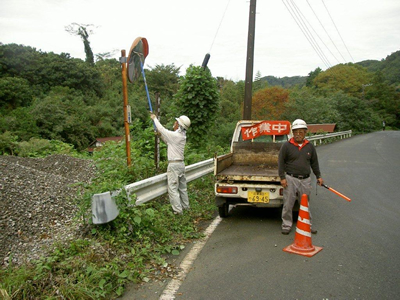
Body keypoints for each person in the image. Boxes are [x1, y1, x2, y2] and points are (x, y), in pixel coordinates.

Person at [278, 119, 324, 235]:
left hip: (306, 179)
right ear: (292, 132)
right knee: (288, 204)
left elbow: (314, 163)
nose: (298, 134)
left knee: (305, 204)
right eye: (296, 131)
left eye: (301, 132)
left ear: (305, 132)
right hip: (290, 179)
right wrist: (282, 177)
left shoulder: (310, 147)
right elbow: (281, 162)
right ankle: (286, 225)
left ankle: (307, 225)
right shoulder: (286, 146)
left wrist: (318, 176)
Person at [150, 113, 191, 215]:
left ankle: (178, 211)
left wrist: (155, 119)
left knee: (173, 189)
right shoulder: (181, 136)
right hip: (180, 164)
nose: (174, 123)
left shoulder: (176, 135)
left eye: (176, 122)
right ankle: (186, 208)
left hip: (174, 165)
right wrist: (160, 136)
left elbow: (163, 130)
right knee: (182, 188)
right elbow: (169, 142)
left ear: (179, 125)